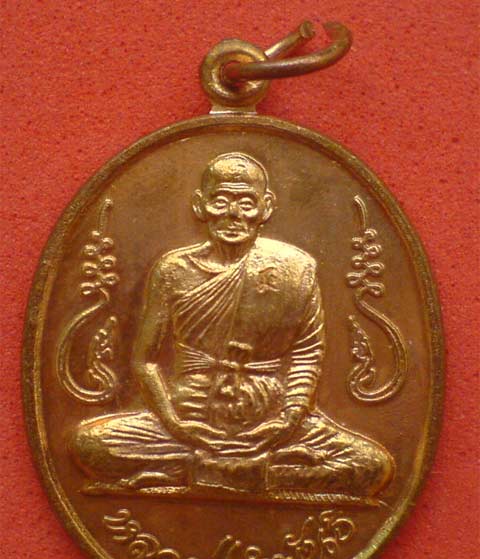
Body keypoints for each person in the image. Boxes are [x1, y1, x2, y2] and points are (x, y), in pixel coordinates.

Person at [71, 152, 394, 497]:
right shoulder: (174, 270)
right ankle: (260, 473)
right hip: (189, 420)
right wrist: (175, 424)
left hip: (273, 423)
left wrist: (288, 421)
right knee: (90, 445)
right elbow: (145, 360)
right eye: (221, 201)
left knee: (372, 464)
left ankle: (195, 471)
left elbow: (307, 353)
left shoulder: (295, 268)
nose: (233, 214)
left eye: (246, 203)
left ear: (266, 207)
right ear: (200, 205)